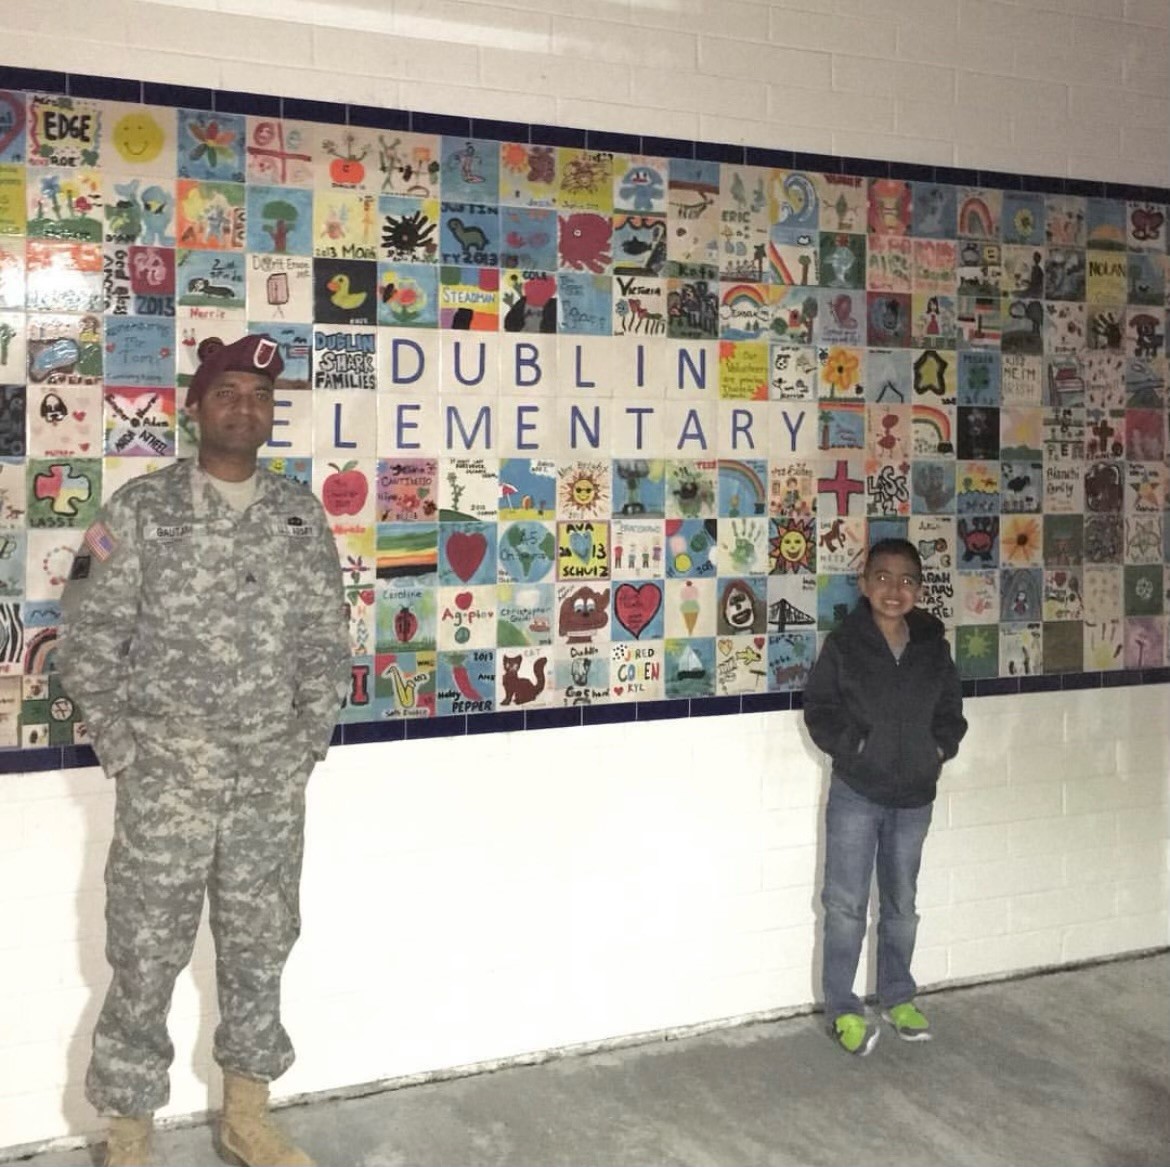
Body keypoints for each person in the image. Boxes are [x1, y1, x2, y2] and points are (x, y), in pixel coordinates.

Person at [58, 334, 351, 1166]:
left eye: (258, 395)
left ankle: (246, 1114)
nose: (244, 406)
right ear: (195, 407)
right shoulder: (139, 512)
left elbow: (327, 642)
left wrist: (303, 745)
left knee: (260, 946)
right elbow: (85, 639)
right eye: (227, 391)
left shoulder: (299, 514)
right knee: (144, 953)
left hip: (267, 781)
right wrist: (124, 750)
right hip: (166, 782)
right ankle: (127, 1130)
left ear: (269, 413)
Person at [802, 538, 966, 1056]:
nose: (894, 590)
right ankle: (844, 1010)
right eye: (883, 577)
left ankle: (898, 997)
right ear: (864, 583)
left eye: (907, 580)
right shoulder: (845, 644)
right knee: (846, 905)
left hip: (915, 794)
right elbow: (821, 710)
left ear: (919, 588)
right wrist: (856, 747)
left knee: (902, 906)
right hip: (858, 791)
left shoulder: (932, 645)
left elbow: (951, 710)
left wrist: (938, 748)